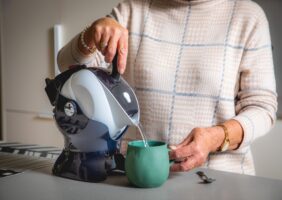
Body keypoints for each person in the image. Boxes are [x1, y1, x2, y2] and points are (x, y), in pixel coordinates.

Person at [57, 0, 277, 175]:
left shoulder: (248, 17)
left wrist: (216, 137)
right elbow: (68, 67)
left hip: (219, 181)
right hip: (133, 178)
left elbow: (263, 108)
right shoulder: (132, 10)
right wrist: (90, 35)